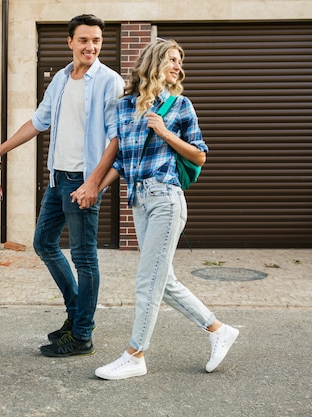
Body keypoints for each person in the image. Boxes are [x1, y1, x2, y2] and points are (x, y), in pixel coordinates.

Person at [72, 38, 239, 379]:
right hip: (140, 200)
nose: (178, 66)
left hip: (166, 198)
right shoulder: (124, 106)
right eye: (172, 60)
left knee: (148, 282)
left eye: (180, 61)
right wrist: (93, 190)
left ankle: (135, 354)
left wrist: (165, 133)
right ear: (153, 61)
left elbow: (200, 155)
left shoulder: (180, 105)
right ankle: (219, 330)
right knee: (165, 280)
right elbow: (121, 161)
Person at [0, 14, 124, 357]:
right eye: (84, 40)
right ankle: (76, 316)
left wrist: (93, 183)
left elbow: (117, 139)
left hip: (82, 182)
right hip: (58, 179)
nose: (91, 46)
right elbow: (38, 122)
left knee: (85, 258)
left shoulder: (109, 82)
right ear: (70, 42)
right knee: (43, 243)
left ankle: (83, 333)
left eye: (97, 41)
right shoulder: (59, 79)